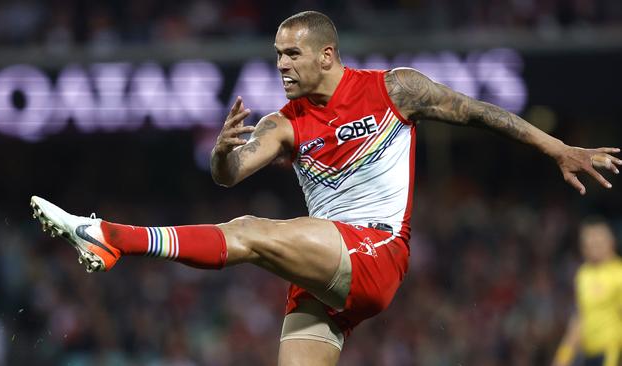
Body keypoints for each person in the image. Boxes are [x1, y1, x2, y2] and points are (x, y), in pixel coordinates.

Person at [31, 10, 621, 366]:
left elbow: (477, 111)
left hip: (375, 251)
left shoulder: (395, 90)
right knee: (251, 235)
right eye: (277, 55)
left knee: (251, 234)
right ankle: (111, 239)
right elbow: (233, 176)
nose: (281, 65)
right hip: (326, 274)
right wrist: (219, 157)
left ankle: (112, 237)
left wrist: (557, 148)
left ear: (327, 54)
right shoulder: (282, 123)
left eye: (293, 54)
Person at [553, 217, 622, 366]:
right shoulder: (583, 274)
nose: (593, 246)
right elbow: (580, 317)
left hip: (612, 352)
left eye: (598, 242)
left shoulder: (619, 274)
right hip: (588, 354)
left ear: (611, 242)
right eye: (588, 243)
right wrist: (564, 355)